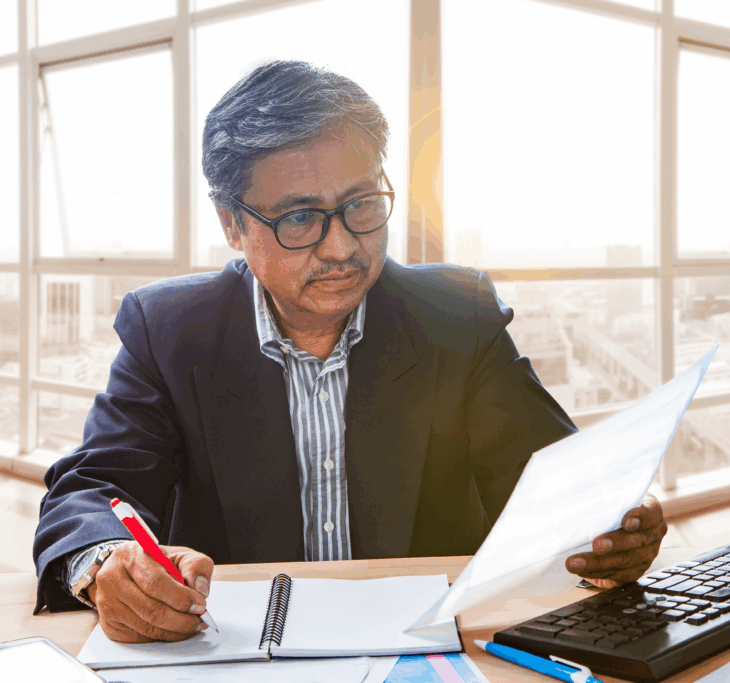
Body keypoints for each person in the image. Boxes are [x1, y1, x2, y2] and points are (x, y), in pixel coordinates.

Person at [33, 60, 668, 644]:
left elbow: (550, 478)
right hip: (237, 656)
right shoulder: (169, 329)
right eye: (300, 218)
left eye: (361, 205)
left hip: (426, 648)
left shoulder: (455, 314)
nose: (342, 247)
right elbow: (91, 489)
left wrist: (610, 522)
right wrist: (106, 563)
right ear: (232, 223)